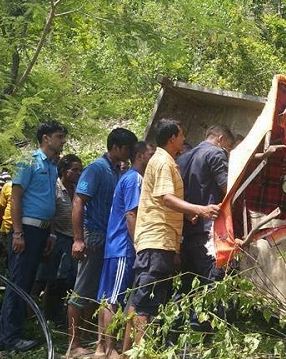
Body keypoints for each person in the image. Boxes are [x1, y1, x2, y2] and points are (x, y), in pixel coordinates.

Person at [122, 119, 220, 353]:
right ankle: (140, 353)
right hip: (156, 240)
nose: (183, 139)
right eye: (181, 134)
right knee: (146, 303)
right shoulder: (164, 161)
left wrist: (187, 216)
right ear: (172, 138)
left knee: (140, 300)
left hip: (161, 241)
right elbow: (166, 197)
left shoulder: (165, 161)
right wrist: (200, 209)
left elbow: (162, 202)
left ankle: (128, 353)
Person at [0, 120, 67, 353]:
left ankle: (15, 332)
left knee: (27, 282)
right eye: (59, 136)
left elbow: (50, 202)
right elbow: (16, 198)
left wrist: (52, 234)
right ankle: (8, 338)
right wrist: (17, 232)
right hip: (26, 230)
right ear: (46, 138)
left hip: (42, 230)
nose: (62, 141)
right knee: (18, 282)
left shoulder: (53, 166)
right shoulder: (28, 162)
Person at [66, 128, 138, 358]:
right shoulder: (96, 169)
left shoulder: (118, 171)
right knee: (82, 290)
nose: (129, 153)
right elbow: (78, 202)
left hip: (109, 238)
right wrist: (78, 239)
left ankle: (101, 345)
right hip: (93, 235)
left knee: (104, 295)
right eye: (127, 149)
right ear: (116, 147)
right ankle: (73, 345)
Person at [95, 141, 154, 359]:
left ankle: (100, 347)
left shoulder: (126, 177)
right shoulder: (135, 180)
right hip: (123, 246)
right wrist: (138, 244)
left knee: (106, 297)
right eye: (151, 154)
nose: (153, 158)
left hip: (114, 246)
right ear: (139, 156)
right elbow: (131, 214)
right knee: (113, 300)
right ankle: (110, 350)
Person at [177, 125, 233, 300]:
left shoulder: (182, 158)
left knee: (188, 287)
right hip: (210, 231)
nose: (227, 151)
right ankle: (204, 325)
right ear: (220, 139)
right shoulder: (216, 153)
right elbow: (228, 189)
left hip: (188, 230)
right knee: (213, 285)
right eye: (228, 146)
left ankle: (180, 326)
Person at [38, 153, 82, 325]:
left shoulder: (79, 188)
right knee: (54, 278)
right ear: (64, 170)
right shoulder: (54, 187)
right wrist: (52, 233)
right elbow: (50, 212)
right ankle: (48, 315)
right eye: (74, 170)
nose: (78, 173)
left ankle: (61, 314)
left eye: (80, 170)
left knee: (70, 278)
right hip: (58, 237)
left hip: (74, 238)